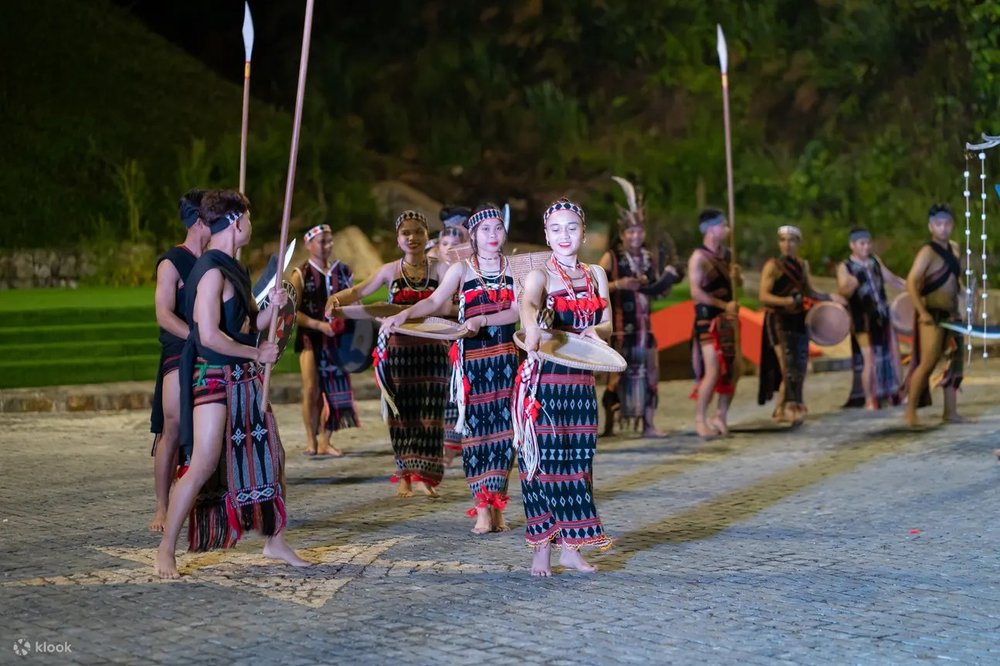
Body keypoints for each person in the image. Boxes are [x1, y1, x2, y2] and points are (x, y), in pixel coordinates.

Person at [155, 189, 309, 579]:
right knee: (204, 462)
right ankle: (166, 548)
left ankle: (274, 540)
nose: (252, 226)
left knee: (275, 457)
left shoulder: (234, 268)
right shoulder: (208, 271)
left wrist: (274, 305)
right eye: (249, 219)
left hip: (243, 377)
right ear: (237, 221)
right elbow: (206, 335)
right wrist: (256, 354)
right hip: (213, 375)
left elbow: (251, 325)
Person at [382, 204, 519, 533]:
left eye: (497, 228)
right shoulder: (461, 270)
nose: (491, 235)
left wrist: (483, 319)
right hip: (472, 365)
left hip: (505, 361)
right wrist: (403, 315)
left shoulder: (514, 268)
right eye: (484, 230)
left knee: (505, 436)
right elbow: (433, 302)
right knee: (475, 434)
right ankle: (482, 508)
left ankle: (497, 501)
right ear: (472, 235)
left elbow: (517, 310)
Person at [513, 197, 614, 576]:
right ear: (546, 235)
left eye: (571, 227)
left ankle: (571, 547)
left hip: (581, 383)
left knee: (578, 464)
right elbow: (527, 303)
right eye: (556, 229)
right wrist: (533, 325)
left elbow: (607, 323)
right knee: (541, 465)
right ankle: (541, 549)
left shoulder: (596, 274)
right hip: (545, 384)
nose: (564, 235)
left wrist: (597, 330)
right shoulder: (541, 274)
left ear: (583, 232)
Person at [326, 210, 449, 498]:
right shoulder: (389, 271)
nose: (412, 237)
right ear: (398, 239)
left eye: (418, 231)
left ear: (425, 234)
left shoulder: (441, 269)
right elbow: (357, 291)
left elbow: (451, 300)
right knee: (401, 413)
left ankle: (427, 476)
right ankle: (405, 475)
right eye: (406, 232)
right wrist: (335, 299)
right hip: (398, 352)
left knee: (432, 413)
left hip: (433, 352)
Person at [149, 189, 211, 532]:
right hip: (179, 349)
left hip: (211, 350)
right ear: (199, 221)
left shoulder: (215, 259)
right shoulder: (172, 261)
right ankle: (161, 505)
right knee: (172, 424)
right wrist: (196, 336)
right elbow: (163, 313)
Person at [599, 177, 679, 437]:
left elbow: (656, 289)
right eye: (631, 232)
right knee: (618, 375)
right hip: (623, 327)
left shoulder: (649, 258)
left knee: (650, 374)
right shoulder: (611, 258)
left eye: (639, 231)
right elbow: (595, 286)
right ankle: (611, 417)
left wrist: (665, 278)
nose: (636, 236)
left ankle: (648, 424)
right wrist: (619, 284)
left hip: (646, 327)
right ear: (622, 235)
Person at [757, 225, 845, 424]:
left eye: (792, 240)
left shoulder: (802, 265)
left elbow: (809, 292)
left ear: (797, 243)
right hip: (778, 320)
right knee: (787, 367)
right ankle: (789, 406)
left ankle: (782, 408)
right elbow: (764, 296)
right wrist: (787, 302)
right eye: (783, 240)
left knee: (799, 367)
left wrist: (830, 297)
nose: (787, 245)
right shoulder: (773, 266)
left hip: (798, 320)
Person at [289, 224, 357, 458]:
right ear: (309, 244)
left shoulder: (343, 271)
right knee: (311, 388)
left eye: (330, 241)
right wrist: (319, 325)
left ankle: (326, 440)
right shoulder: (301, 274)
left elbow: (353, 303)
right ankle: (311, 440)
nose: (327, 246)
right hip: (311, 338)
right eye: (322, 242)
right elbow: (292, 312)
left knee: (336, 389)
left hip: (338, 339)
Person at [903, 204, 965, 426]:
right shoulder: (927, 252)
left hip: (952, 313)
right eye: (939, 224)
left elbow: (957, 280)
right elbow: (911, 281)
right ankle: (910, 411)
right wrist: (921, 312)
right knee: (927, 362)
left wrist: (967, 295)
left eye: (947, 223)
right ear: (931, 226)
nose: (944, 228)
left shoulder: (954, 249)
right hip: (932, 315)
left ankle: (951, 412)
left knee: (954, 363)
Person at [836, 227, 906, 410]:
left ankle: (897, 392)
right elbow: (843, 291)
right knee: (870, 359)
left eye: (868, 243)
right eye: (862, 244)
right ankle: (870, 398)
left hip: (882, 314)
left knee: (893, 355)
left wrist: (911, 287)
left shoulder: (875, 261)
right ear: (852, 245)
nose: (866, 247)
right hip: (862, 320)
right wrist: (852, 281)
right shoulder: (846, 267)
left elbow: (893, 280)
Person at [688, 208, 740, 438]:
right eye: (723, 225)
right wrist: (722, 305)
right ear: (710, 229)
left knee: (733, 368)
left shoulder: (728, 256)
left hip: (728, 320)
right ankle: (700, 418)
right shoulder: (699, 257)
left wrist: (736, 278)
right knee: (713, 368)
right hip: (707, 319)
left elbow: (734, 285)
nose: (727, 229)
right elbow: (696, 293)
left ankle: (721, 415)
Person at [433, 223, 472, 465]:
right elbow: (440, 306)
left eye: (455, 245)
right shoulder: (436, 270)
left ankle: (458, 444)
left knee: (460, 392)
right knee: (444, 393)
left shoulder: (468, 269)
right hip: (440, 338)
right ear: (438, 246)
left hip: (464, 336)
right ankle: (444, 450)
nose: (449, 249)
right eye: (445, 244)